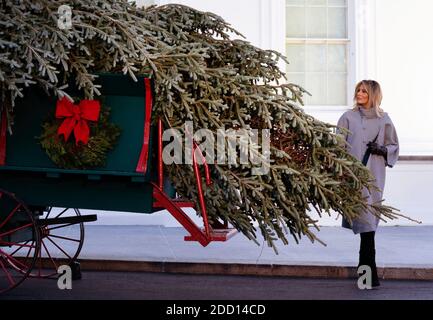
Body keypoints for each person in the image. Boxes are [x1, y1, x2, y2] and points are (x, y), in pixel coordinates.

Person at [337, 80, 399, 288]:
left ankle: (366, 276)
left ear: (373, 94)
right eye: (358, 90)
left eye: (364, 90)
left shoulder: (384, 120)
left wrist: (381, 149)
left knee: (369, 225)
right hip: (353, 177)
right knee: (366, 227)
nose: (359, 93)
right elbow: (338, 147)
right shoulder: (347, 117)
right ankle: (368, 276)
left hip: (374, 176)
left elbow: (394, 146)